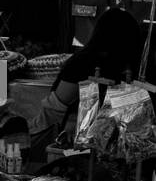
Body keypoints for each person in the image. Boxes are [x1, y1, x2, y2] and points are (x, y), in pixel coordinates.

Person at [30, 8, 146, 154]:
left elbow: (56, 106)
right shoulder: (134, 65)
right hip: (116, 145)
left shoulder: (84, 61)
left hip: (76, 143)